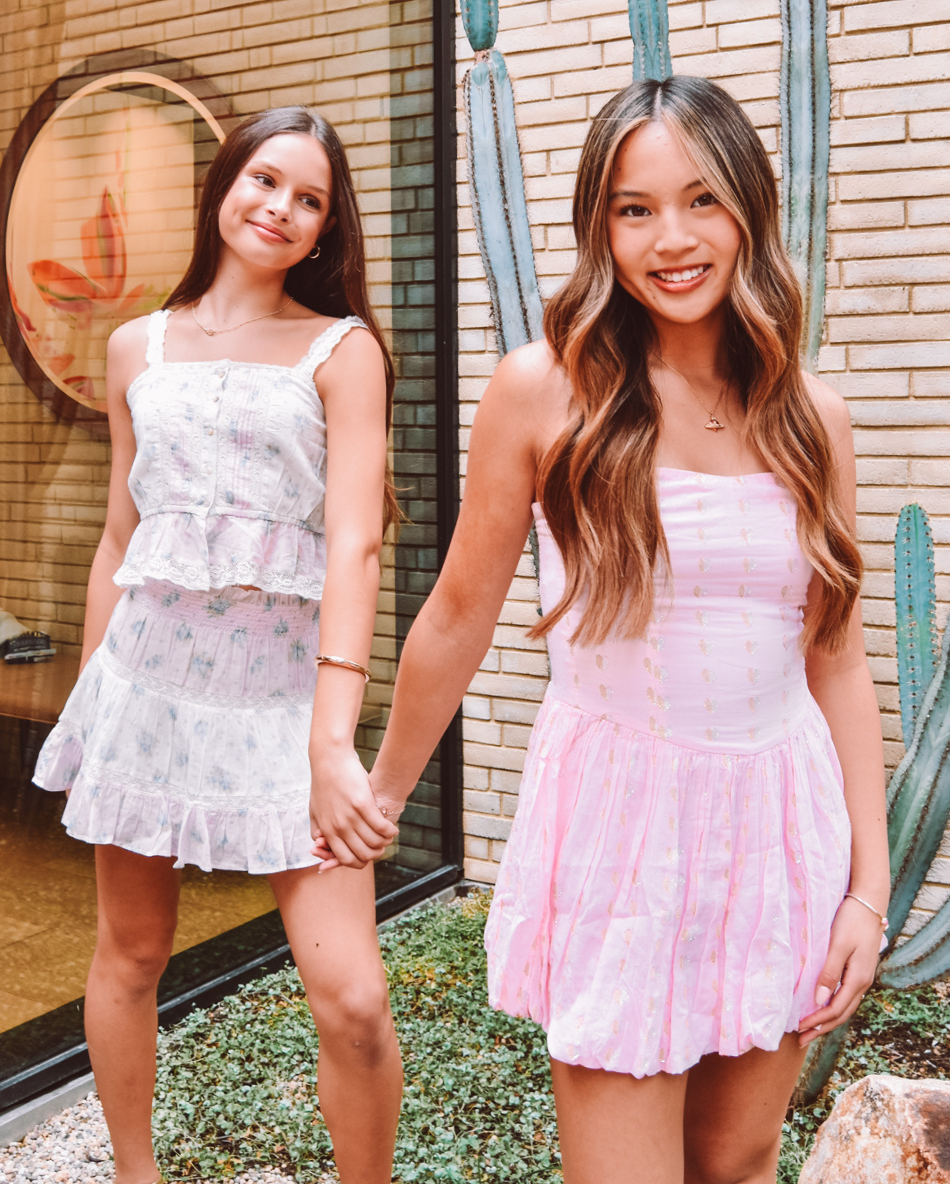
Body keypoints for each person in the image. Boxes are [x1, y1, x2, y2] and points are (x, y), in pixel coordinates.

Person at [317, 77, 891, 1183]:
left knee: (738, 1159)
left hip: (781, 823)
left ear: (748, 208)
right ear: (599, 225)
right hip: (622, 825)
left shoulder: (811, 416)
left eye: (701, 200)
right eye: (635, 209)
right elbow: (457, 613)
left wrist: (865, 889)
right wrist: (378, 794)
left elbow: (835, 660)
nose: (671, 239)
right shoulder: (545, 389)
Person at [35, 107, 402, 1184]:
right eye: (266, 180)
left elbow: (357, 544)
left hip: (287, 706)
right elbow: (121, 536)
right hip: (144, 688)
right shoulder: (134, 346)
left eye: (310, 199)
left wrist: (332, 739)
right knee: (132, 953)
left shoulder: (342, 349)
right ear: (224, 184)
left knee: (354, 998)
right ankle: (135, 1173)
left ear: (327, 228)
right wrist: (93, 708)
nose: (281, 208)